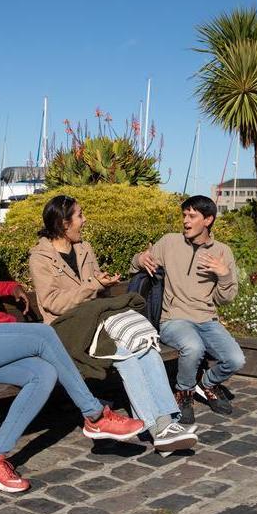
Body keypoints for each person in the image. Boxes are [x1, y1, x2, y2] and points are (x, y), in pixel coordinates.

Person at [0, 185, 144, 493]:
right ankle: (94, 414)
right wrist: (6, 320)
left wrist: (9, 287)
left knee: (44, 373)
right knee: (42, 334)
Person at [29, 195, 198, 455]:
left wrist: (102, 283)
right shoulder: (41, 257)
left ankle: (166, 423)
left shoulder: (84, 248)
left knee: (145, 346)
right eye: (80, 216)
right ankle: (156, 428)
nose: (84, 221)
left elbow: (95, 294)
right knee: (126, 356)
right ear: (64, 224)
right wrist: (94, 286)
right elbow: (53, 304)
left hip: (96, 323)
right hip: (67, 332)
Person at [131, 195, 244, 425]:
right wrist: (140, 259)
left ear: (208, 220)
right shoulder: (170, 242)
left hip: (207, 320)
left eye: (192, 216)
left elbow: (226, 298)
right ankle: (183, 393)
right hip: (174, 319)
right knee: (193, 347)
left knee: (235, 359)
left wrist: (224, 275)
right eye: (184, 215)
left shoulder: (222, 252)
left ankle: (208, 384)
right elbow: (135, 264)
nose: (186, 221)